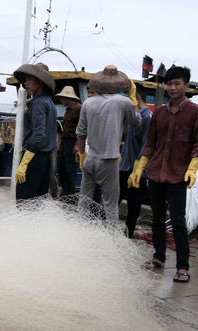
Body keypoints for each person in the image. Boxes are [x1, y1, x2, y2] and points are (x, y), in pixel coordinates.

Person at [128, 66, 196, 283]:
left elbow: (197, 145)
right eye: (170, 83)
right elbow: (150, 145)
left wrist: (193, 167)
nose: (173, 87)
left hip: (178, 176)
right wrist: (140, 168)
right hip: (156, 173)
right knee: (156, 219)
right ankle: (158, 257)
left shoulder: (194, 112)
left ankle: (183, 266)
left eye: (177, 83)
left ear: (186, 85)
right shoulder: (159, 113)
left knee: (178, 221)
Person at [74, 65, 140, 222]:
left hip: (90, 159)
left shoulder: (88, 103)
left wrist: (82, 155)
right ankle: (112, 240)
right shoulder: (123, 102)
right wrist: (132, 99)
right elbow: (137, 122)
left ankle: (78, 235)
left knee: (83, 202)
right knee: (110, 204)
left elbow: (81, 133)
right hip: (109, 160)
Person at [12, 63, 57, 201]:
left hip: (34, 158)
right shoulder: (47, 101)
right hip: (45, 158)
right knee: (38, 201)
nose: (25, 83)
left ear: (40, 83)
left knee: (24, 201)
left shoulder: (38, 104)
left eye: (29, 80)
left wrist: (24, 163)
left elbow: (38, 134)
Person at [118, 84, 151, 238]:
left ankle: (128, 233)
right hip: (124, 167)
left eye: (127, 96)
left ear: (136, 97)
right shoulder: (133, 117)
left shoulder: (147, 117)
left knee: (134, 205)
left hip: (138, 171)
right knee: (115, 199)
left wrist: (138, 169)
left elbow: (146, 145)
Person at [56, 86, 82, 200]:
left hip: (73, 141)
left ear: (68, 98)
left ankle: (69, 195)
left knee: (69, 169)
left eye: (63, 98)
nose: (61, 101)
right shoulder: (68, 111)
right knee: (62, 168)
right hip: (66, 141)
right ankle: (65, 193)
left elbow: (82, 128)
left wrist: (77, 144)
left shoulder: (79, 109)